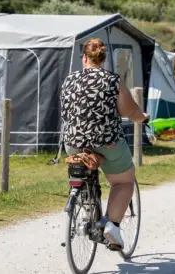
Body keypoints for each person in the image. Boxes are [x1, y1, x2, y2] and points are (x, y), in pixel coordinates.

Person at [60, 38, 149, 251]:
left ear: (84, 58)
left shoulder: (69, 80)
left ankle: (85, 206)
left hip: (74, 144)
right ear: (103, 59)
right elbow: (129, 111)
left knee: (82, 173)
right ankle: (111, 225)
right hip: (107, 143)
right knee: (123, 182)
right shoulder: (112, 80)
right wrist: (142, 117)